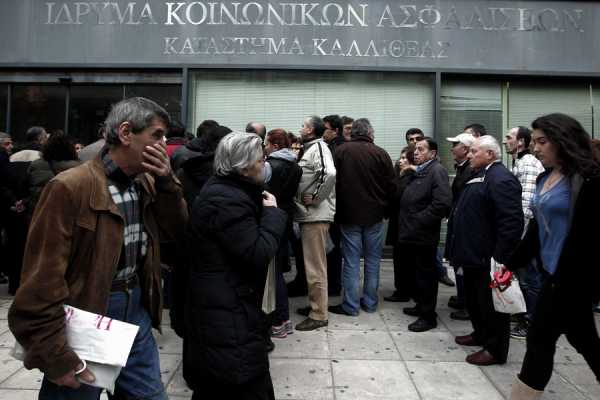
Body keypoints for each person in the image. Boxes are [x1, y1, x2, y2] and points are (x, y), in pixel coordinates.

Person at [8, 97, 188, 399]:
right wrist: (56, 354)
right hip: (87, 311)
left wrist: (168, 182)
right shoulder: (69, 187)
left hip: (135, 309)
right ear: (127, 133)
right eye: (156, 135)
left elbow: (177, 230)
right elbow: (42, 278)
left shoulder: (145, 181)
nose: (164, 143)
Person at [502, 114, 600, 400]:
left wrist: (567, 279)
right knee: (581, 341)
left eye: (542, 141)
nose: (536, 147)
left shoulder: (589, 180)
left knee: (540, 340)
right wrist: (511, 264)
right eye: (533, 142)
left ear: (563, 140)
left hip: (572, 279)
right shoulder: (546, 176)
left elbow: (588, 239)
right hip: (553, 275)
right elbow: (535, 230)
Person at [182, 132, 287, 400]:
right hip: (228, 315)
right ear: (242, 166)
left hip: (226, 308)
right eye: (261, 159)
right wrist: (273, 214)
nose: (265, 164)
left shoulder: (228, 191)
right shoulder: (227, 199)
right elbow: (258, 251)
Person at [447, 136, 523, 366]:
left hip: (488, 256)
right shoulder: (481, 173)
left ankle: (495, 349)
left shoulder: (501, 179)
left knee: (492, 306)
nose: (469, 155)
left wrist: (500, 258)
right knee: (476, 300)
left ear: (490, 154)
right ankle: (480, 334)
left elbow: (511, 223)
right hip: (472, 254)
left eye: (474, 151)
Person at [329, 118, 395, 316]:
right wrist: (386, 211)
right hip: (374, 216)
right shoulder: (381, 153)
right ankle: (370, 302)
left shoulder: (341, 152)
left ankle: (350, 305)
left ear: (353, 133)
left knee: (350, 261)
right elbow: (392, 186)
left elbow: (332, 182)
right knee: (373, 260)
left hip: (348, 215)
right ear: (370, 133)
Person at [397, 137, 451, 332]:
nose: (416, 152)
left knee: (426, 276)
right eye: (415, 149)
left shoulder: (436, 171)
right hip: (413, 233)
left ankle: (428, 317)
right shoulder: (420, 170)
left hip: (424, 234)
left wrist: (419, 220)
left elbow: (442, 204)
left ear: (433, 153)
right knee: (418, 274)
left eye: (421, 149)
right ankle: (421, 307)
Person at [294, 116, 336, 331]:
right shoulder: (310, 148)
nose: (300, 128)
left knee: (315, 268)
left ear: (310, 130)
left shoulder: (319, 147)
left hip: (315, 215)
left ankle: (319, 314)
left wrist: (316, 197)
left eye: (303, 125)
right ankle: (316, 307)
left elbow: (329, 173)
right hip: (309, 216)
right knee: (313, 266)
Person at [503, 126, 545, 340]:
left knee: (530, 278)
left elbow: (526, 206)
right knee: (525, 277)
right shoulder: (519, 162)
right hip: (521, 231)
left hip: (524, 232)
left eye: (509, 137)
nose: (505, 141)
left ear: (520, 142)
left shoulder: (527, 163)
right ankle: (523, 316)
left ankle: (531, 322)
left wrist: (518, 239)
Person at [263, 129, 302, 338]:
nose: (265, 148)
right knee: (277, 271)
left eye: (267, 144)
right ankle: (284, 320)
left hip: (270, 216)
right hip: (286, 218)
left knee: (272, 274)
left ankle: (277, 321)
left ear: (275, 146)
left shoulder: (269, 166)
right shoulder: (296, 166)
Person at [444, 132, 477, 321]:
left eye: (455, 144)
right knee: (457, 263)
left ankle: (467, 303)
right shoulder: (462, 168)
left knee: (463, 265)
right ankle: (463, 298)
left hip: (464, 226)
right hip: (457, 221)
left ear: (465, 149)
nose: (452, 148)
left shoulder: (470, 170)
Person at [384, 145, 416, 302]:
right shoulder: (401, 175)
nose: (400, 161)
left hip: (404, 225)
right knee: (400, 258)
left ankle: (403, 291)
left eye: (405, 158)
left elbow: (397, 197)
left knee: (404, 260)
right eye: (401, 157)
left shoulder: (410, 176)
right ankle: (403, 289)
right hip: (399, 223)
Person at [26, 132, 81, 216]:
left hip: (40, 212)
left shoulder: (36, 164)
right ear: (70, 148)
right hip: (67, 213)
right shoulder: (80, 167)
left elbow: (27, 187)